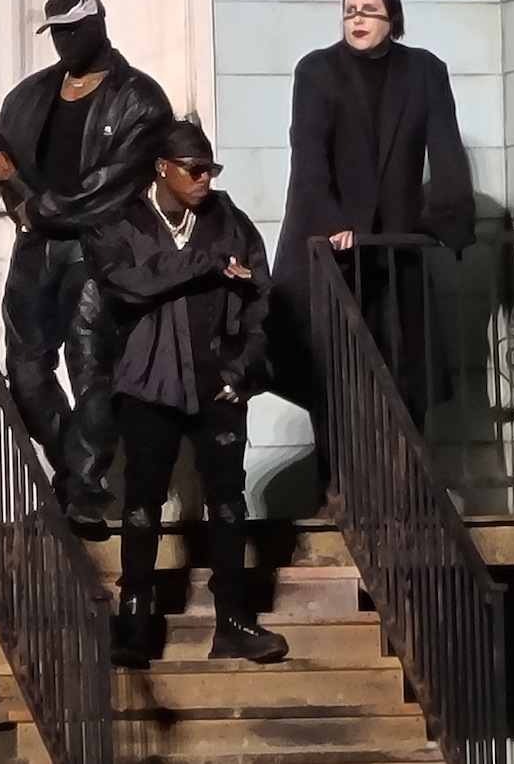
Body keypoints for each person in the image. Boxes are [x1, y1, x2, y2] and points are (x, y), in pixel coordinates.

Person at [85, 120, 289, 667]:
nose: (204, 179)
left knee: (227, 501)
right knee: (142, 504)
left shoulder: (229, 220)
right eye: (194, 170)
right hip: (147, 384)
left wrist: (242, 372)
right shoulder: (122, 220)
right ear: (162, 169)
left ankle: (234, 622)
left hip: (217, 384)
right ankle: (134, 623)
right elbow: (127, 283)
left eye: (210, 169)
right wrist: (207, 265)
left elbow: (262, 298)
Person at [0, 0, 173, 522]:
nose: (64, 41)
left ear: (99, 24)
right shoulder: (32, 93)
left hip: (99, 245)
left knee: (90, 363)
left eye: (74, 29)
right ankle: (72, 473)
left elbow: (109, 185)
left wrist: (36, 206)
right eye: (57, 31)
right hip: (36, 248)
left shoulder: (140, 99)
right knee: (25, 371)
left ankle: (85, 487)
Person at [269, 0, 477, 468]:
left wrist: (447, 220)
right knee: (332, 378)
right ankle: (337, 485)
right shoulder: (317, 71)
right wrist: (333, 223)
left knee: (407, 376)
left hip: (396, 248)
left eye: (368, 9)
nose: (357, 18)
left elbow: (446, 149)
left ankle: (406, 486)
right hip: (334, 254)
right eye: (349, 10)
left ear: (392, 19)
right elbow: (309, 160)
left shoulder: (424, 71)